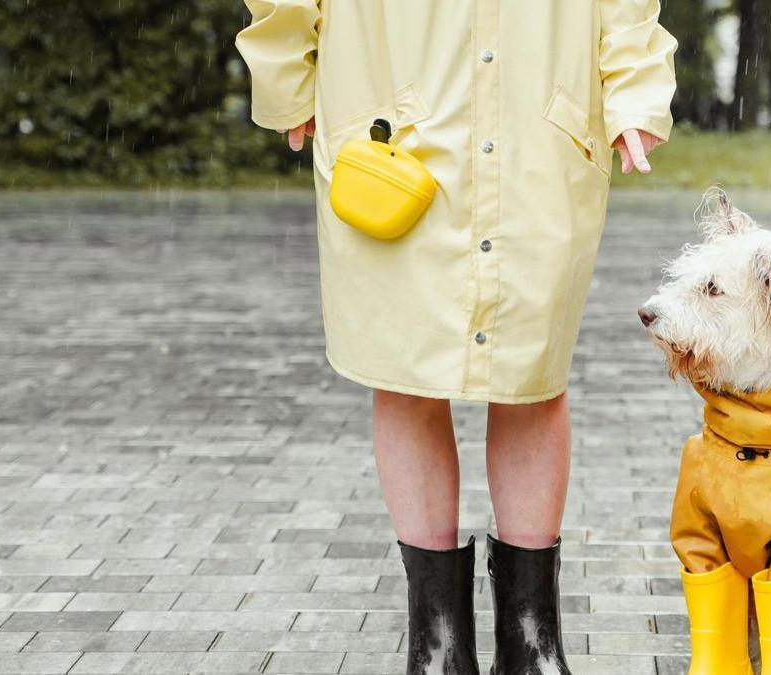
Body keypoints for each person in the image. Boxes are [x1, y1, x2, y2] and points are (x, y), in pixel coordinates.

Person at [237, 3, 676, 673]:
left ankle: (532, 641)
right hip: (393, 130)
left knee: (533, 374)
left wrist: (637, 91)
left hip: (539, 125)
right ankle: (436, 642)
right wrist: (286, 75)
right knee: (405, 371)